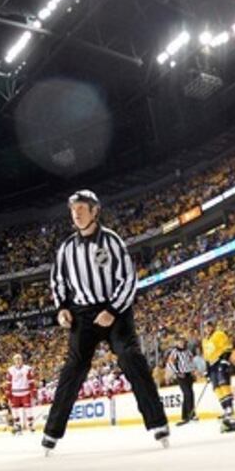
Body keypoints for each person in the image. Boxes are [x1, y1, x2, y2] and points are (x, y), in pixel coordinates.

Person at [43, 190, 169, 454]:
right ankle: (51, 434)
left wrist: (112, 310)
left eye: (81, 208)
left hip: (115, 311)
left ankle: (158, 424)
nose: (76, 213)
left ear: (94, 211)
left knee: (130, 356)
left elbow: (128, 278)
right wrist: (62, 308)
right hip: (82, 314)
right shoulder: (66, 248)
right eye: (73, 209)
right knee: (73, 369)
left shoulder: (112, 241)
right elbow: (57, 281)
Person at [201, 323, 235, 433]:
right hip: (212, 366)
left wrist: (224, 360)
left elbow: (227, 348)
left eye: (209, 326)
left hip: (220, 362)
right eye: (206, 327)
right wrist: (207, 370)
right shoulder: (204, 341)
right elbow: (206, 357)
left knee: (224, 384)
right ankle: (225, 409)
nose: (208, 328)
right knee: (216, 388)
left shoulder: (219, 334)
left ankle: (230, 408)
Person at [164, 338, 199, 425]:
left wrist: (194, 370)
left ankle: (185, 415)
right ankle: (191, 414)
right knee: (188, 393)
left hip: (188, 375)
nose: (182, 343)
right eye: (180, 342)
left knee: (189, 394)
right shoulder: (174, 352)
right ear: (177, 343)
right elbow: (170, 364)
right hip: (181, 376)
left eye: (183, 342)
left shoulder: (188, 351)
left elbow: (191, 362)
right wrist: (177, 372)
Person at [4, 353, 36, 435]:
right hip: (15, 393)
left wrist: (33, 392)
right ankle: (18, 426)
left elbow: (31, 381)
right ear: (13, 361)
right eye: (16, 359)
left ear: (22, 360)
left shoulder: (27, 369)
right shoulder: (10, 370)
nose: (18, 361)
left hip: (25, 392)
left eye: (19, 359)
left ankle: (30, 424)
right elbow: (8, 383)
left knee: (28, 409)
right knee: (14, 410)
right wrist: (8, 395)